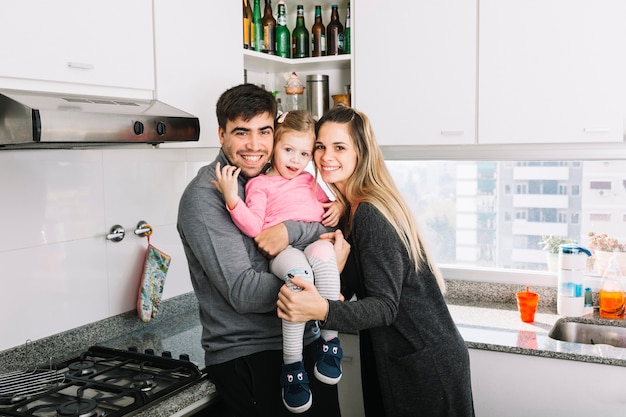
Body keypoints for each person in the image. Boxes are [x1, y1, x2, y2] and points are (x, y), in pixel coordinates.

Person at [276, 106, 476, 417]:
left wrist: (322, 310)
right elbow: (361, 288)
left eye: (339, 147)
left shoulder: (370, 212)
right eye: (320, 146)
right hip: (401, 355)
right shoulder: (351, 209)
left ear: (361, 153)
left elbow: (385, 306)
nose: (326, 156)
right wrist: (338, 269)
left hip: (424, 364)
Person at [177, 84, 341, 417]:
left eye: (264, 131)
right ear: (221, 134)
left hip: (304, 341)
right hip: (251, 356)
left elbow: (323, 226)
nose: (254, 145)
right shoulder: (206, 197)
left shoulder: (276, 177)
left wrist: (291, 231)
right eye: (241, 132)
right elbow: (243, 292)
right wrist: (313, 285)